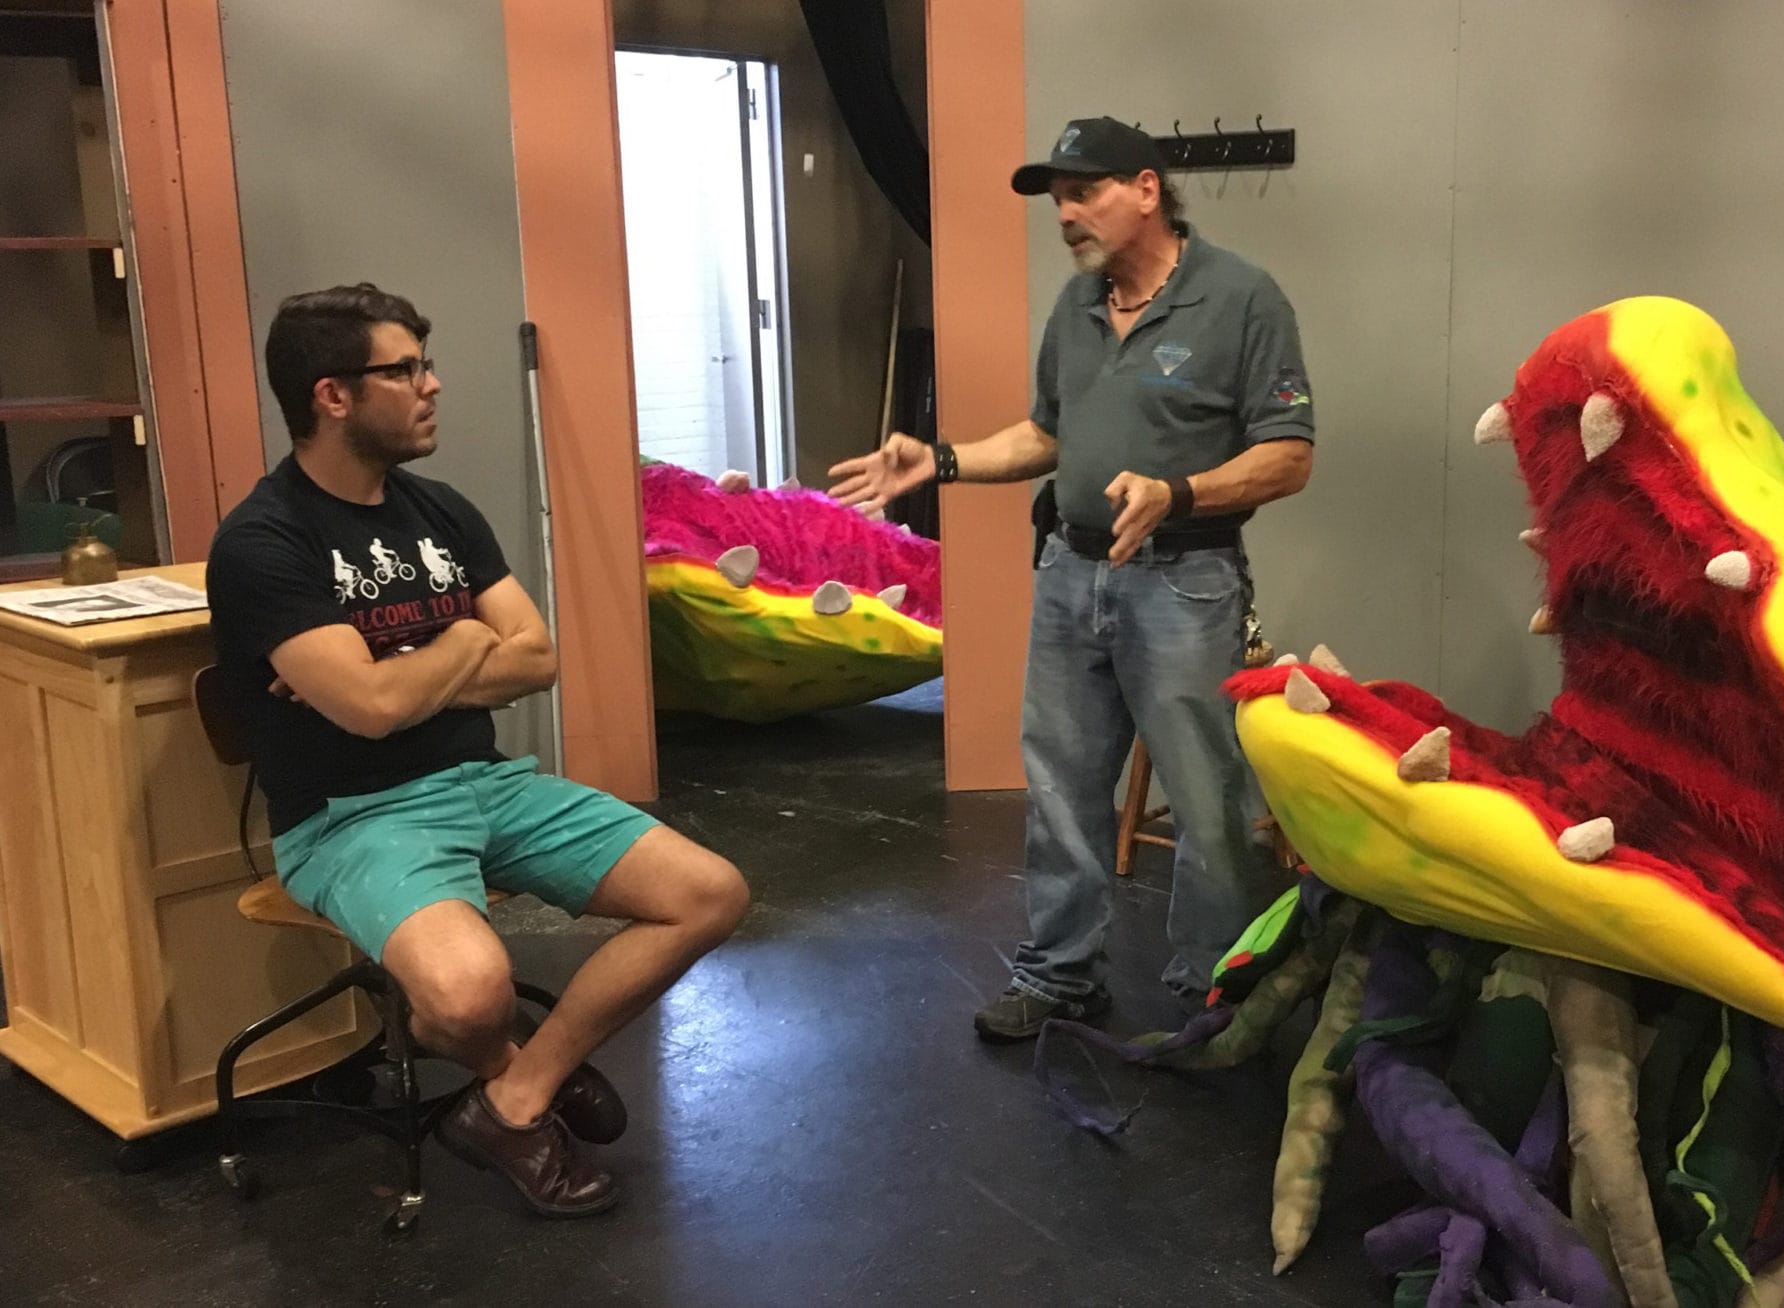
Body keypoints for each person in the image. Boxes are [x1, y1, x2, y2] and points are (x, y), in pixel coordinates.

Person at [206, 284, 749, 1215]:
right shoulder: (265, 542)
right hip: (351, 816)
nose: (432, 384)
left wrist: (398, 665)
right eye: (405, 368)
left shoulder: (442, 511)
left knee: (710, 894)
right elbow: (374, 712)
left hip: (485, 783)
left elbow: (537, 658)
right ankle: (512, 1068)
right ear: (332, 395)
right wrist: (459, 638)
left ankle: (515, 1096)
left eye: (426, 363)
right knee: (464, 1000)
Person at [829, 117, 1316, 1040]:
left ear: (1145, 189)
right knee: (1059, 787)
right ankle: (1060, 972)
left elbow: (1289, 455)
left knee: (1209, 800)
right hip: (1068, 575)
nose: (1065, 214)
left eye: (1083, 192)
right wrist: (941, 459)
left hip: (1185, 580)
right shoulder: (1078, 306)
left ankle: (1222, 987)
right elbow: (1048, 434)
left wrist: (1180, 491)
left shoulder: (1242, 299)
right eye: (1056, 198)